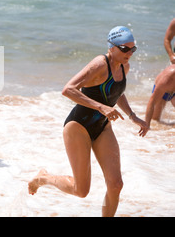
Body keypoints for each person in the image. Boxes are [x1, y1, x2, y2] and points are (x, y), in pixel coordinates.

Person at [28, 26, 148, 217]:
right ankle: (44, 178)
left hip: (102, 127)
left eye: (133, 49)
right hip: (78, 126)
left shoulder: (124, 66)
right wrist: (102, 107)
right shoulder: (100, 64)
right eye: (125, 49)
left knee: (116, 185)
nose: (129, 53)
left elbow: (117, 92)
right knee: (81, 190)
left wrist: (133, 116)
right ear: (112, 47)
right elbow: (68, 89)